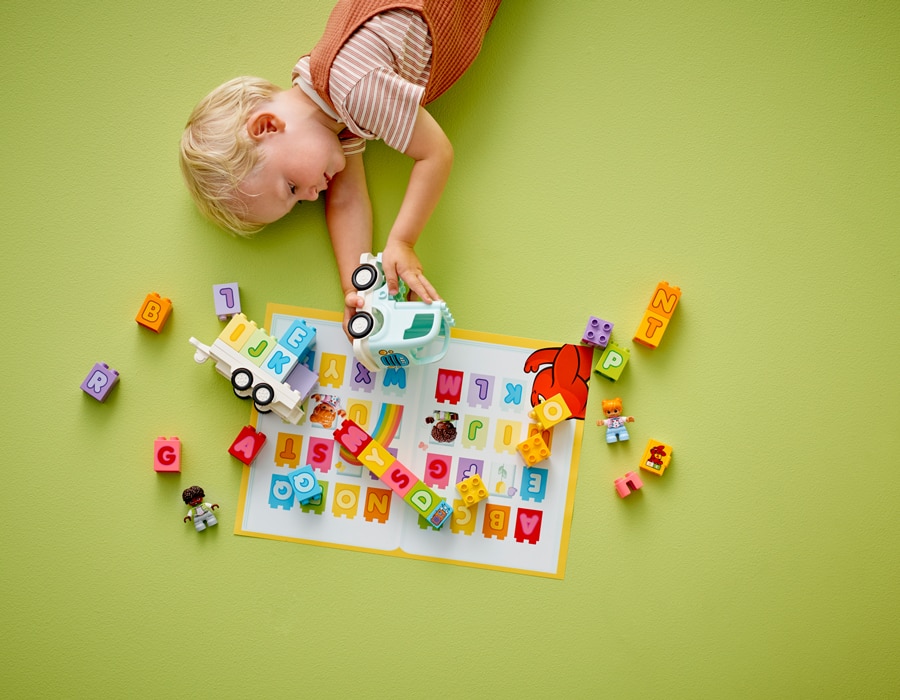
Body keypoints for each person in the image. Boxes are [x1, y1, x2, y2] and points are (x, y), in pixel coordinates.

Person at [180, 0, 502, 334]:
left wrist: (402, 241)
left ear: (267, 126)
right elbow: (345, 198)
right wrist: (357, 291)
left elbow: (435, 153)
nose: (311, 194)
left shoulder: (354, 91)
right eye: (298, 202)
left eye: (291, 187)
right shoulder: (330, 111)